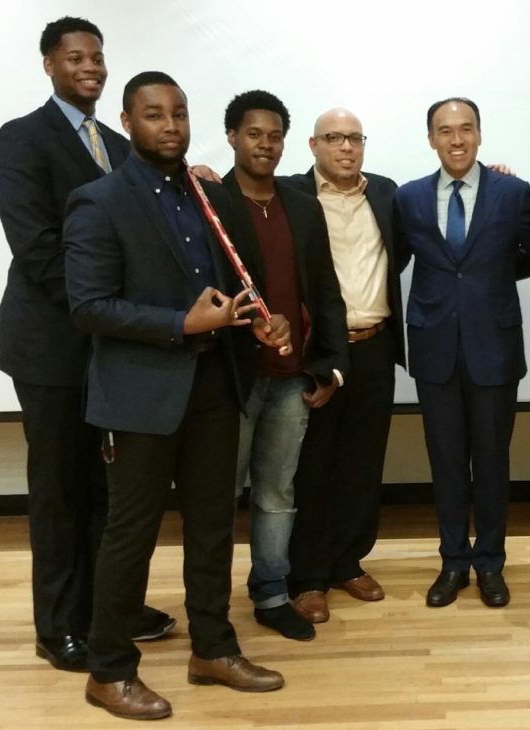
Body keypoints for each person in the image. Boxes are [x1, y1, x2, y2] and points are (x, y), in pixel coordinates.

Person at [64, 71, 288, 720]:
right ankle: (108, 672)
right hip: (141, 398)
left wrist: (252, 319)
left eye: (179, 113)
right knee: (129, 536)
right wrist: (181, 325)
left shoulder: (205, 194)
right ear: (128, 122)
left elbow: (223, 289)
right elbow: (89, 307)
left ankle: (212, 649)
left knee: (214, 527)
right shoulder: (98, 200)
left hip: (216, 385)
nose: (171, 125)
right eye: (155, 115)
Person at [0, 16, 174, 673]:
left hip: (111, 349)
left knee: (110, 490)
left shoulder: (122, 148)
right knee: (61, 490)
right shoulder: (22, 139)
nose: (90, 66)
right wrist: (103, 309)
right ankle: (59, 625)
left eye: (97, 56)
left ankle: (111, 610)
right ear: (49, 65)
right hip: (53, 347)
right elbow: (37, 250)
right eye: (76, 57)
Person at [395, 97, 530, 608]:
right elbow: (387, 258)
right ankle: (453, 562)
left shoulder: (513, 192)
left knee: (493, 463)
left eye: (466, 129)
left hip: (494, 347)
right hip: (435, 347)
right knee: (447, 462)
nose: (456, 139)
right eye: (445, 131)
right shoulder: (408, 198)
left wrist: (491, 279)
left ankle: (490, 563)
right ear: (431, 138)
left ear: (479, 134)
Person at [222, 90, 348, 641]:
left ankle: (272, 593)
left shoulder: (301, 203)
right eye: (254, 134)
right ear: (232, 137)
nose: (265, 145)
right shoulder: (209, 202)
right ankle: (208, 601)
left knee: (277, 495)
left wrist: (328, 367)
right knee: (217, 497)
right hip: (230, 382)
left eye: (274, 136)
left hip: (291, 380)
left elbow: (326, 292)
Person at [286, 108, 410, 624]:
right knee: (312, 466)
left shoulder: (385, 192)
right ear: (313, 144)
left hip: (375, 345)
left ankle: (347, 561)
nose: (346, 148)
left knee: (363, 463)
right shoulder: (291, 194)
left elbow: (406, 247)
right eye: (335, 138)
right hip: (319, 349)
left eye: (355, 138)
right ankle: (308, 576)